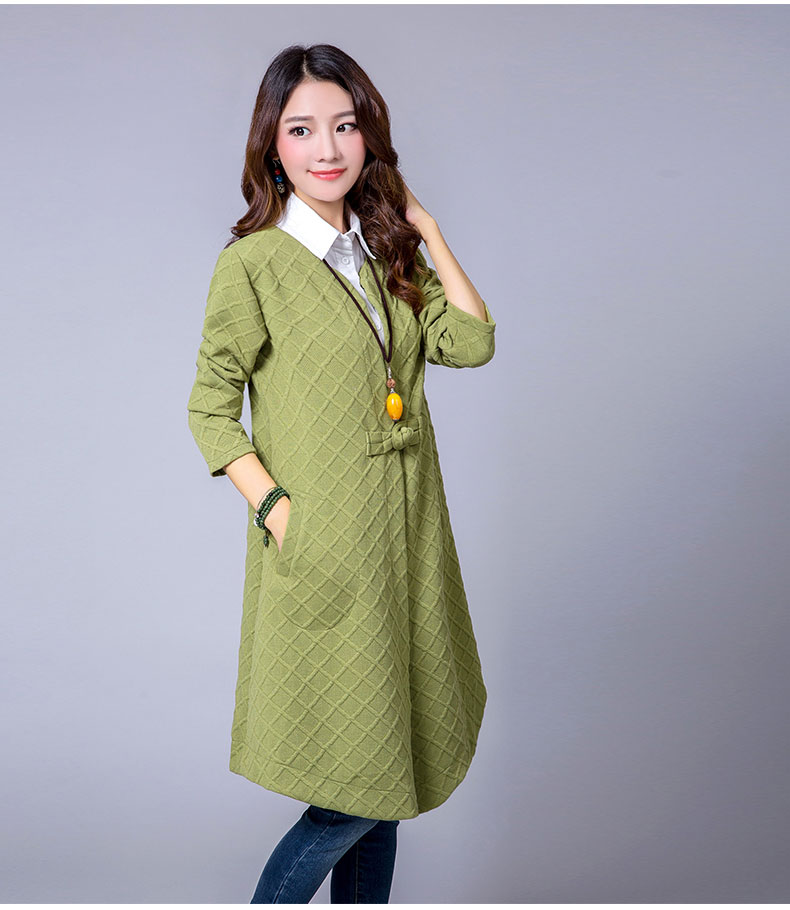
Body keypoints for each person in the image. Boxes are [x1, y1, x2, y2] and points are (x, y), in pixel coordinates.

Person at [187, 43, 497, 904]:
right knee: (352, 792)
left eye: (344, 125)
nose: (326, 148)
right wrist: (280, 511)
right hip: (326, 553)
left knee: (387, 782)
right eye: (301, 129)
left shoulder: (385, 251)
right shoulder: (253, 264)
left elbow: (471, 341)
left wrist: (425, 227)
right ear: (272, 146)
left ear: (369, 138)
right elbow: (210, 409)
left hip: (409, 547)